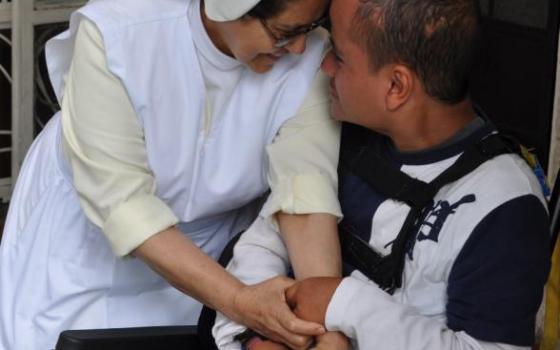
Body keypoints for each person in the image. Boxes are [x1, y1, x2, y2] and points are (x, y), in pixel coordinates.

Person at [0, 0, 346, 349]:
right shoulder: (119, 33)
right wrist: (239, 300)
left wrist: (325, 320)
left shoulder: (310, 56)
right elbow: (124, 206)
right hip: (88, 239)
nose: (300, 47)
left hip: (207, 262)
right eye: (284, 34)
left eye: (309, 27)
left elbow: (304, 194)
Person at [213, 0, 551, 349]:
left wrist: (345, 303)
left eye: (339, 56)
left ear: (395, 87)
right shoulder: (344, 132)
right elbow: (266, 235)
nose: (324, 64)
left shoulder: (504, 209)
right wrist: (260, 333)